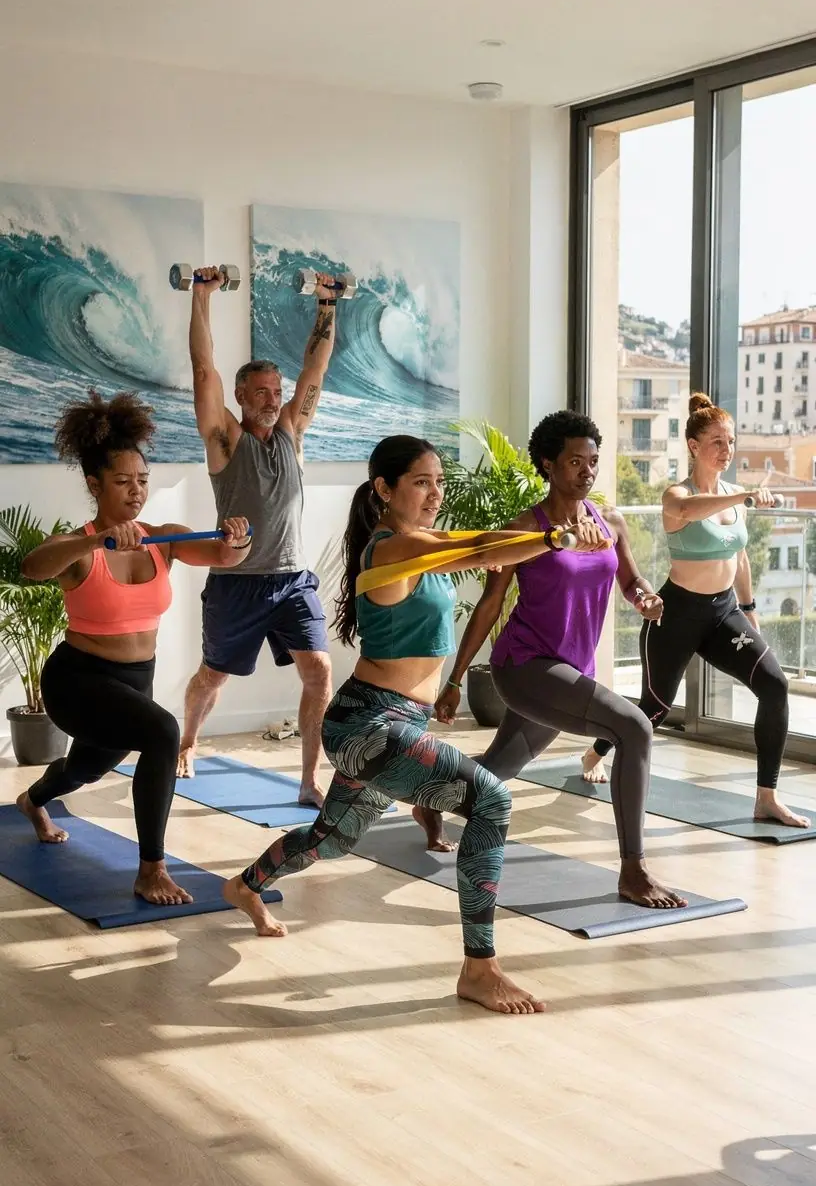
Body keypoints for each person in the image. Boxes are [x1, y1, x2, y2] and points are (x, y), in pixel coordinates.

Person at [223, 434, 585, 1014]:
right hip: (367, 723)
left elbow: (476, 545)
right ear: (384, 490)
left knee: (332, 840)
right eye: (421, 481)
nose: (435, 493)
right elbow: (484, 552)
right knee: (491, 801)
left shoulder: (428, 543)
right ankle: (480, 968)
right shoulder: (391, 548)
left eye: (439, 481)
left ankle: (244, 886)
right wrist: (550, 536)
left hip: (400, 720)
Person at [435, 410, 688, 911]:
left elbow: (631, 581)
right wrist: (456, 678)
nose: (587, 471)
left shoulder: (608, 521)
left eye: (593, 461)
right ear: (548, 464)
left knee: (495, 771)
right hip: (524, 665)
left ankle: (429, 797)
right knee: (634, 727)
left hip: (571, 671)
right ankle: (633, 870)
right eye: (575, 461)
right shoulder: (526, 529)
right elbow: (489, 605)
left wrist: (645, 598)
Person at [17, 390, 253, 905]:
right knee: (164, 732)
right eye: (122, 481)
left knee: (86, 768)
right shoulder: (81, 547)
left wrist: (238, 540)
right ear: (94, 484)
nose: (135, 491)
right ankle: (151, 869)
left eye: (142, 480)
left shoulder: (161, 537)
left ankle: (33, 800)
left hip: (132, 682)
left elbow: (222, 554)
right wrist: (92, 543)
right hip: (77, 681)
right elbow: (32, 567)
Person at [585, 392, 807, 827]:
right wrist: (742, 496)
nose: (726, 451)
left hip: (724, 614)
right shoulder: (677, 495)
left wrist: (749, 608)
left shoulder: (730, 495)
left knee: (775, 686)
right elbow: (686, 511)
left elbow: (739, 557)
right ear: (693, 446)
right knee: (654, 710)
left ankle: (766, 797)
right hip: (677, 615)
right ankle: (595, 751)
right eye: (717, 442)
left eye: (731, 442)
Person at [177, 265, 336, 807]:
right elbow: (203, 371)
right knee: (212, 679)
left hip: (292, 579)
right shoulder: (224, 439)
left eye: (276, 391)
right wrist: (202, 296)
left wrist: (328, 306)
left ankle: (308, 779)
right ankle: (187, 742)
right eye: (261, 392)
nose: (272, 399)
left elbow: (316, 368)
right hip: (237, 584)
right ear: (242, 395)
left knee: (319, 673)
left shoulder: (292, 431)